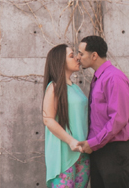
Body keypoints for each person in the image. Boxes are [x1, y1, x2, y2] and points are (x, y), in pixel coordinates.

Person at [75, 35, 129, 188]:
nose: (78, 57)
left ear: (94, 55)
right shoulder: (99, 77)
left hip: (115, 151)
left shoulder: (114, 78)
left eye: (81, 53)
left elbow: (118, 118)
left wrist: (94, 143)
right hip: (100, 149)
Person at [42, 44, 90, 188]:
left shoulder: (75, 88)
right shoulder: (54, 87)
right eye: (71, 56)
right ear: (60, 61)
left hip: (82, 152)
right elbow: (48, 119)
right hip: (63, 154)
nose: (77, 58)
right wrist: (71, 141)